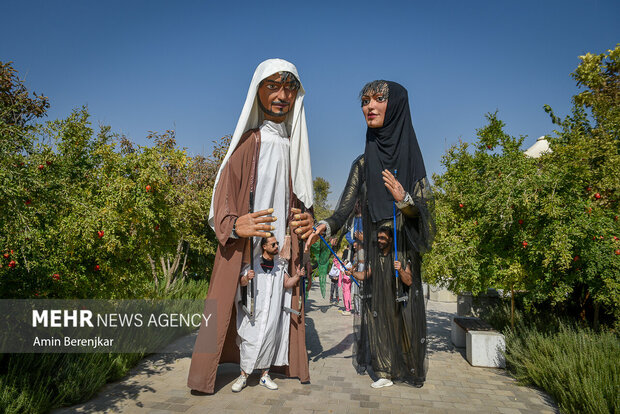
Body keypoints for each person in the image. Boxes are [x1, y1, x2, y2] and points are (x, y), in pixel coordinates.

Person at [188, 59, 315, 394]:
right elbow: (223, 202)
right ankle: (242, 370)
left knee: (276, 316)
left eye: (289, 87)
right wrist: (235, 225)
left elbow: (303, 201)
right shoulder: (248, 145)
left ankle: (268, 368)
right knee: (246, 315)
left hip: (281, 254)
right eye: (273, 85)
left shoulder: (296, 148)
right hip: (248, 255)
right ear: (258, 90)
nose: (282, 95)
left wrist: (306, 220)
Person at [306, 80, 434, 389]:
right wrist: (326, 224)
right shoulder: (363, 164)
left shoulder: (412, 161)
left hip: (403, 247)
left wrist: (404, 199)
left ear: (397, 107)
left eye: (378, 99)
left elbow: (425, 216)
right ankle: (385, 368)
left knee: (404, 305)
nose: (369, 107)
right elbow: (345, 207)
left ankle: (408, 366)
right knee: (379, 309)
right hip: (377, 249)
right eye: (365, 101)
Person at [232, 236, 305, 392]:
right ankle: (243, 376)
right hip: (254, 313)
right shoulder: (253, 263)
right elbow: (241, 283)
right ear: (264, 246)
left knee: (268, 343)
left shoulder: (279, 264)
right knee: (248, 343)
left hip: (272, 313)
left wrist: (297, 276)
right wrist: (246, 277)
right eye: (273, 244)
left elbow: (286, 284)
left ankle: (264, 376)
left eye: (277, 243)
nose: (277, 246)